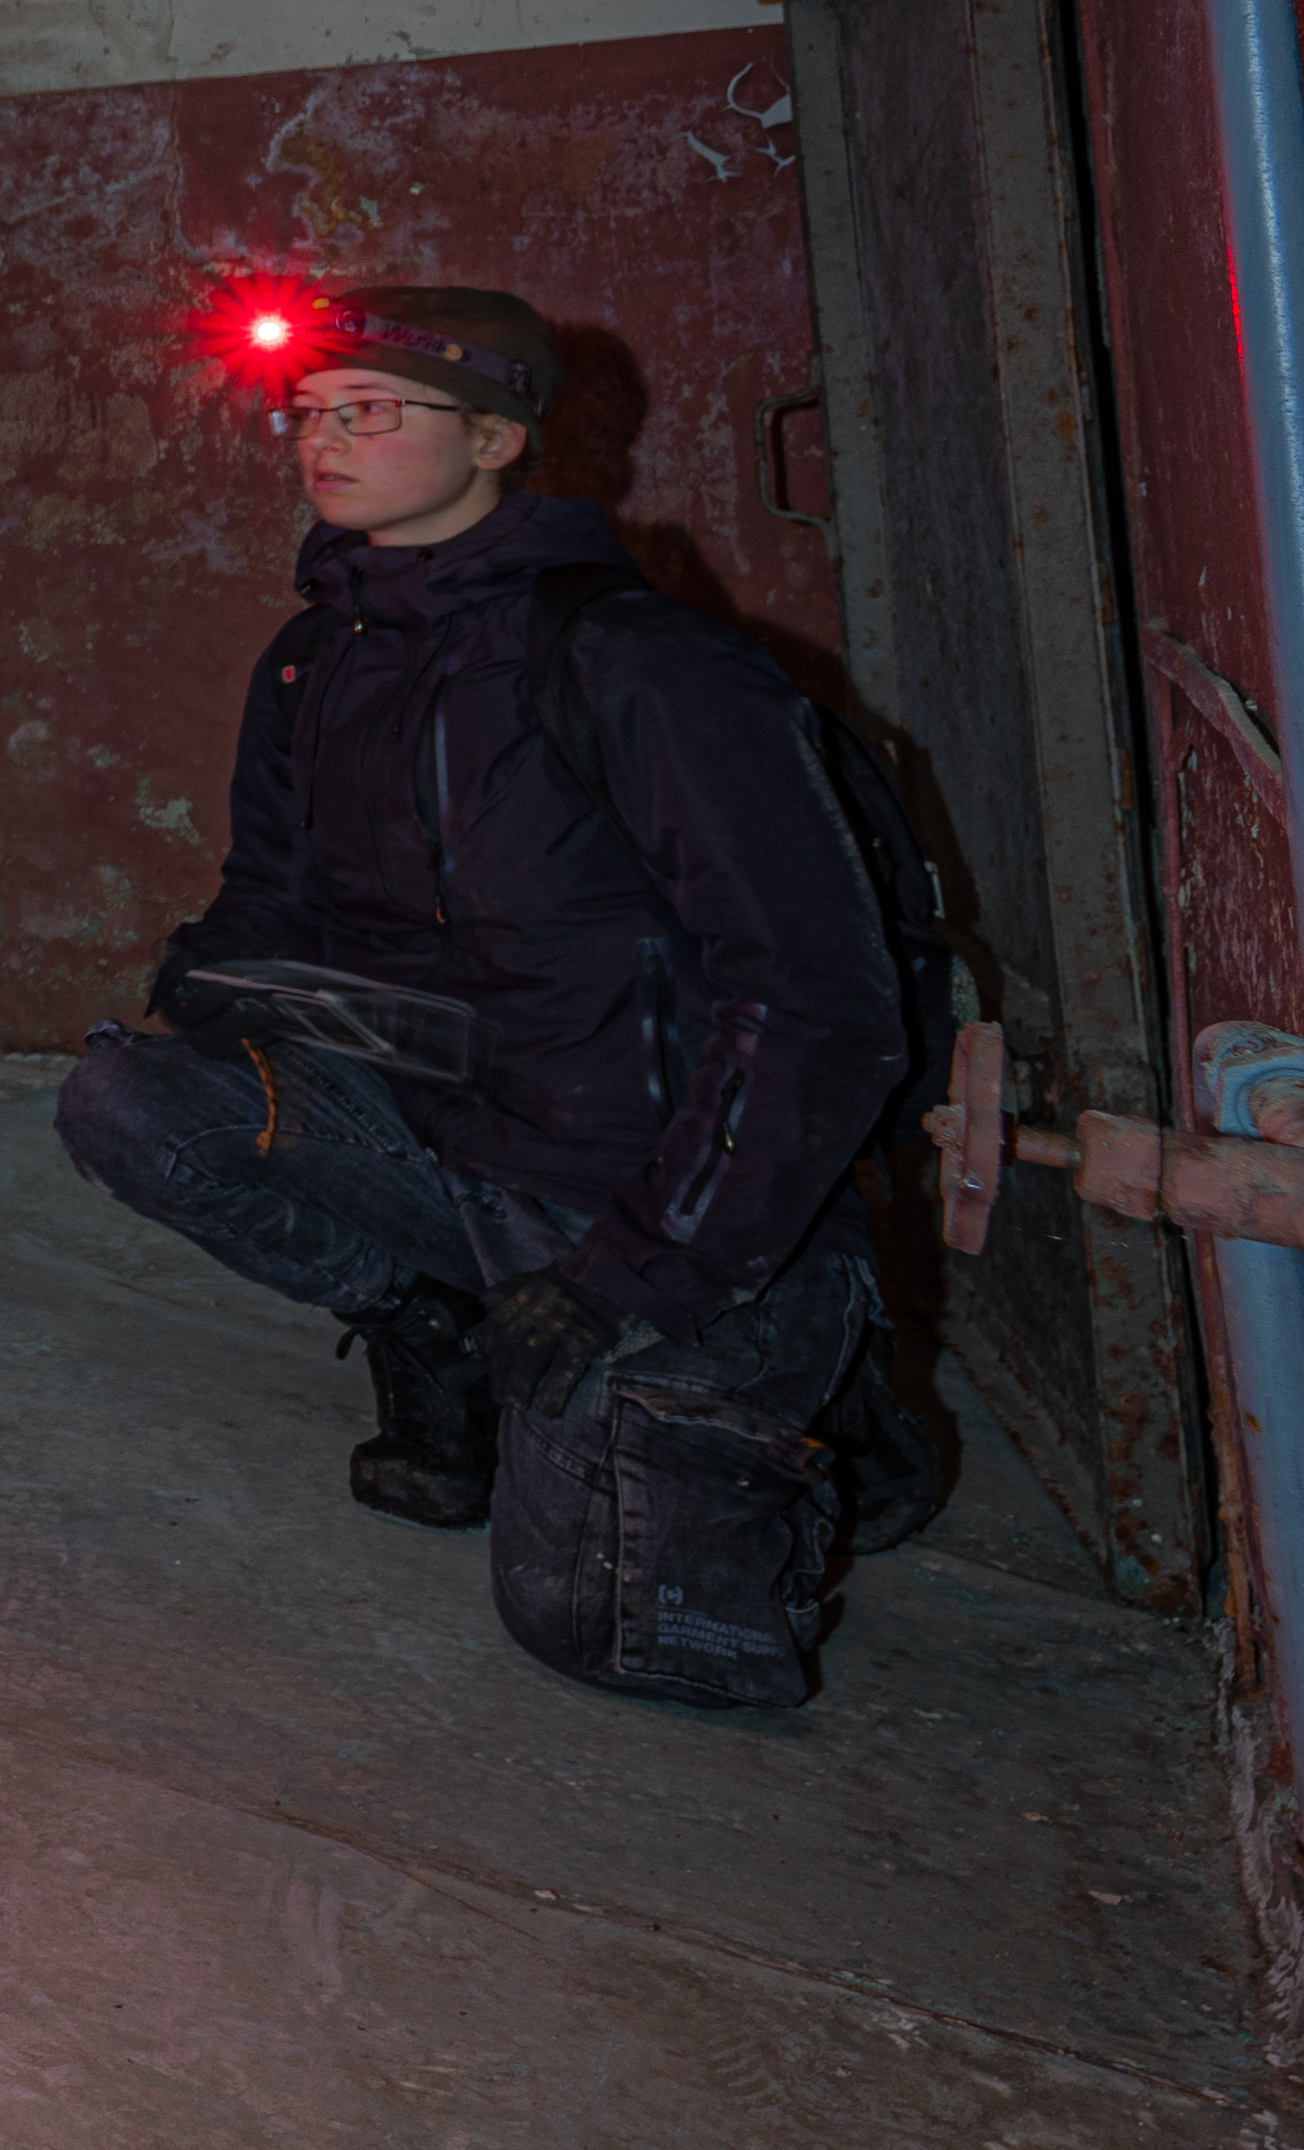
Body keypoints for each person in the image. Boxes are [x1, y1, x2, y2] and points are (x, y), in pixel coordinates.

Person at [54, 285, 932, 1708]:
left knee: (604, 1637)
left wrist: (632, 1278)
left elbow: (821, 1003)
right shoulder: (313, 659)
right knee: (132, 1101)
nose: (325, 441)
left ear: (500, 440)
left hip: (641, 1190)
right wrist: (217, 967)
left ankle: (819, 1402)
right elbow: (274, 890)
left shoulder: (639, 662)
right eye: (311, 415)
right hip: (452, 1138)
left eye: (373, 412)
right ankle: (441, 1327)